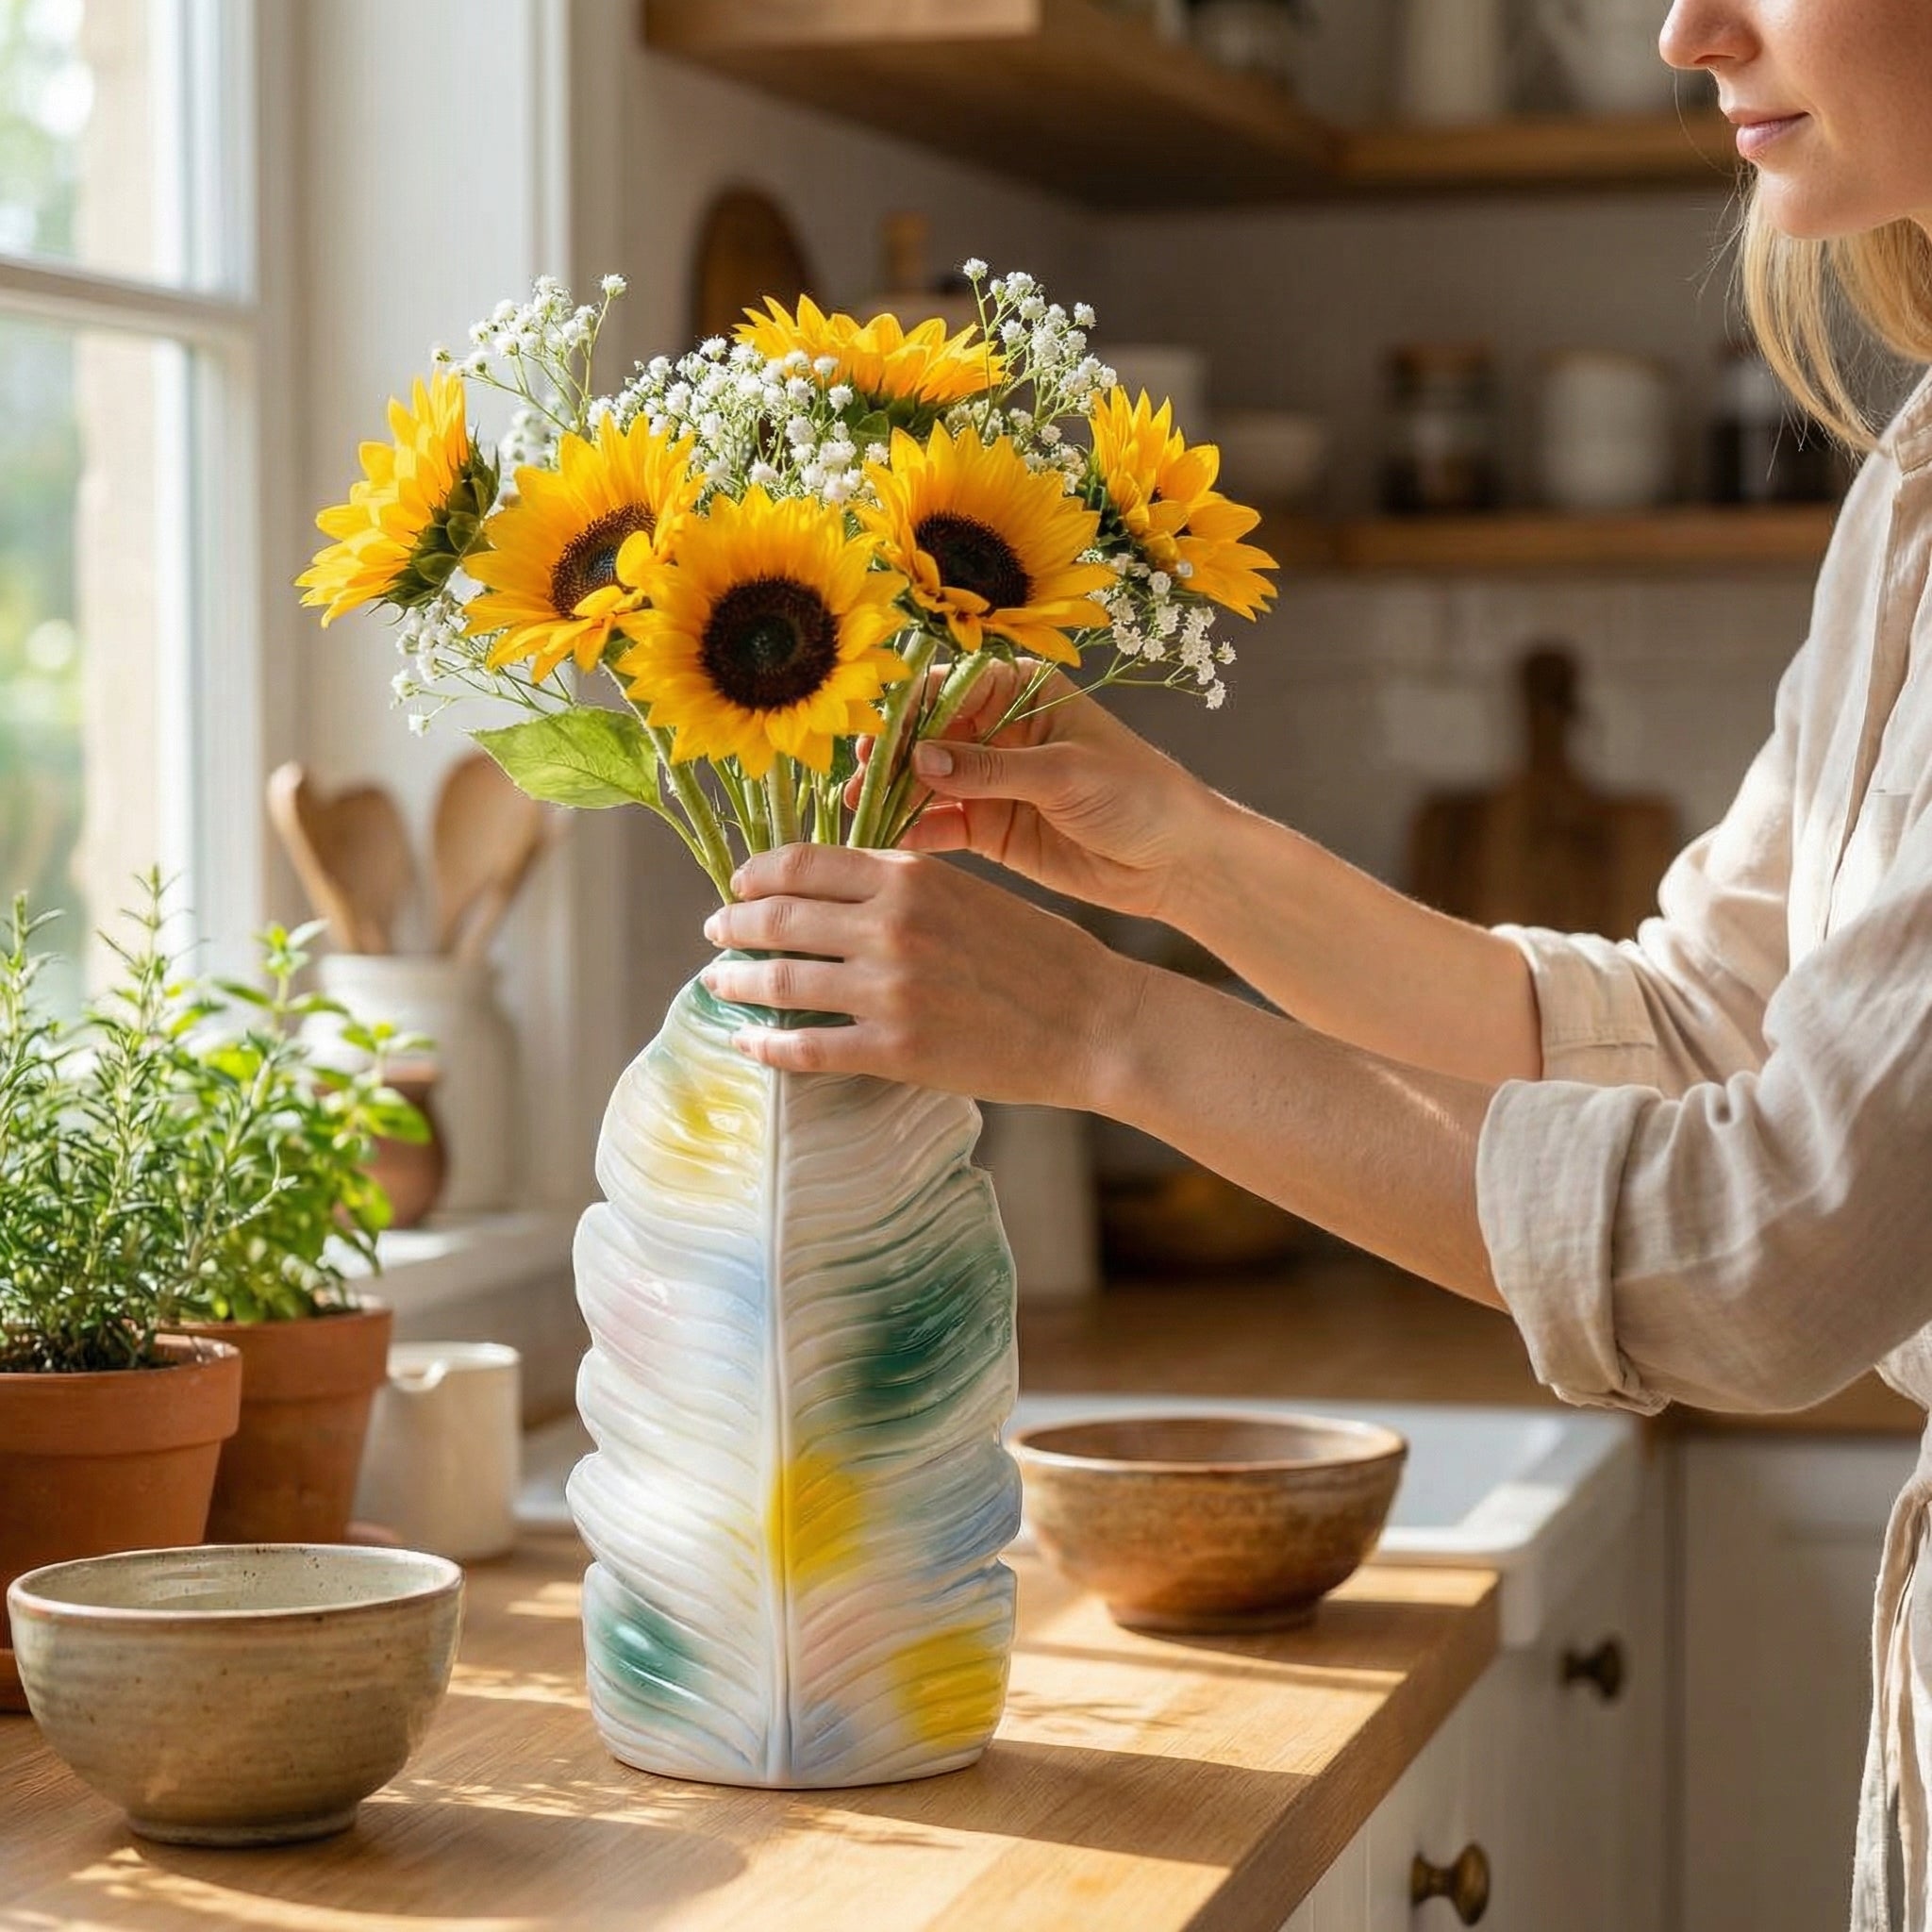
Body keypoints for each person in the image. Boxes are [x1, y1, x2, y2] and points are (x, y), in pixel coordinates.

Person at [698, 3, 1932, 1923]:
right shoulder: (1916, 480)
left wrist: (1105, 1026)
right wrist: (1192, 857)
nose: (1691, 29)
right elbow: (1702, 1028)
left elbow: (1766, 1251)